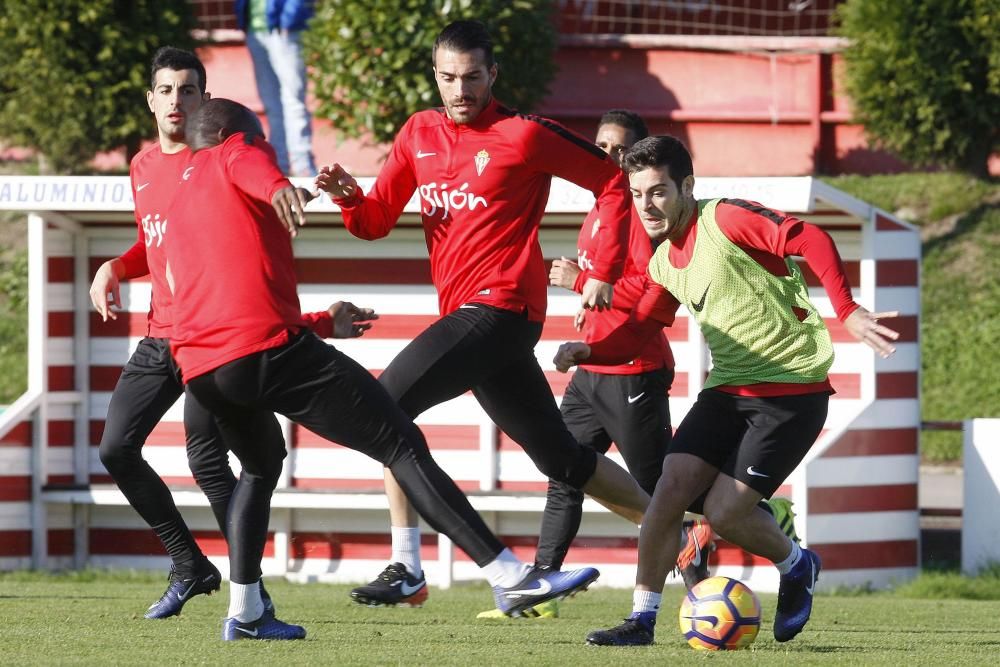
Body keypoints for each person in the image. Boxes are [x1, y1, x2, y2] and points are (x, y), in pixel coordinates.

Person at [162, 97, 603, 640]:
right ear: (236, 135)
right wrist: (278, 186)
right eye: (260, 140)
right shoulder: (238, 153)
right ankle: (507, 574)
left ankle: (247, 611)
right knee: (399, 441)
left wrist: (321, 321)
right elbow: (248, 165)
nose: (264, 150)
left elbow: (213, 290)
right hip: (268, 350)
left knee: (258, 467)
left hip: (203, 367)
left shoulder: (179, 196)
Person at [314, 20, 650, 609]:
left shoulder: (523, 135)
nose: (460, 89)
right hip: (472, 319)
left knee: (384, 407)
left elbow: (615, 184)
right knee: (560, 457)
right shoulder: (417, 132)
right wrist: (347, 195)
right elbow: (373, 222)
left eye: (472, 77)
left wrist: (600, 267)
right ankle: (682, 527)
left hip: (504, 309)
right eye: (449, 78)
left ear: (492, 74)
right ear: (436, 77)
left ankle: (409, 566)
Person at [553, 135, 900, 646]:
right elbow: (642, 327)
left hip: (791, 390)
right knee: (666, 492)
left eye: (659, 192)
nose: (646, 205)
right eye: (636, 193)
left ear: (687, 186)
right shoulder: (663, 260)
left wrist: (846, 310)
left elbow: (811, 238)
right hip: (728, 389)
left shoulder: (726, 218)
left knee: (724, 513)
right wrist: (591, 351)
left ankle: (797, 563)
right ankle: (642, 620)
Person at [88, 46, 372, 620]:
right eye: (165, 90)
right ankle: (190, 563)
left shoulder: (223, 158)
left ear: (205, 100)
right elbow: (156, 241)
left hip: (211, 340)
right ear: (150, 100)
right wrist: (115, 266)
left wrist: (316, 319)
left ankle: (250, 597)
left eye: (187, 90)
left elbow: (253, 261)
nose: (176, 100)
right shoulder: (142, 168)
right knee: (116, 448)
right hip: (161, 337)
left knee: (210, 459)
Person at [476, 109, 706, 620]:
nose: (605, 157)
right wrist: (586, 298)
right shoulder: (601, 207)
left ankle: (704, 596)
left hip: (634, 370)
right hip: (589, 374)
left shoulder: (645, 214)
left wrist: (580, 282)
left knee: (660, 492)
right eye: (599, 146)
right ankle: (540, 593)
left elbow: (654, 286)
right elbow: (608, 286)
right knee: (563, 475)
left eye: (618, 150)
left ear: (640, 159)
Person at [234, 0, 317, 176]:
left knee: (294, 100)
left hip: (285, 30)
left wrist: (290, 19)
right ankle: (279, 164)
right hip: (254, 31)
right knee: (271, 104)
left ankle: (303, 165)